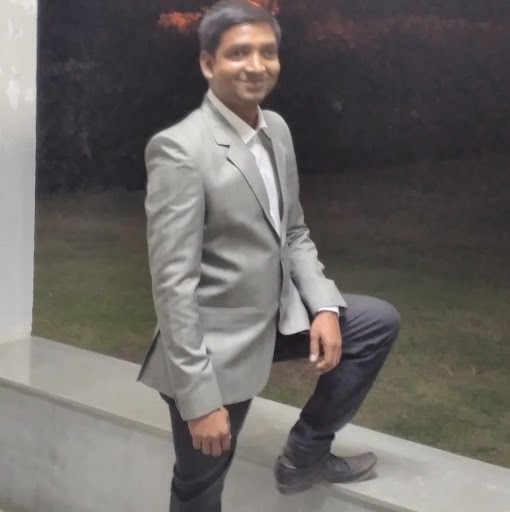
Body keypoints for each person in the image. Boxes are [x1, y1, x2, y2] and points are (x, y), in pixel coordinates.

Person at [137, 1, 400, 510]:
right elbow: (173, 288)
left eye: (267, 52)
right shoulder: (179, 150)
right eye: (239, 53)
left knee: (374, 322)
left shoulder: (275, 129)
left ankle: (306, 453)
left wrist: (324, 305)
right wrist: (200, 401)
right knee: (198, 489)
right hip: (213, 349)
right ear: (208, 63)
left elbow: (293, 232)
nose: (256, 65)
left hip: (274, 319)